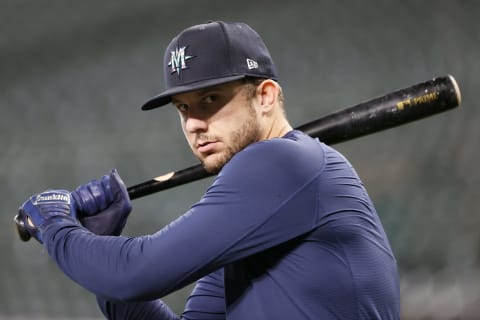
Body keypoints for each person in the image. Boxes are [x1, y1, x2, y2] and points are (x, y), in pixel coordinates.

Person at [17, 21, 400, 319]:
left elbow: (136, 273)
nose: (194, 123)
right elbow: (129, 284)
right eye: (183, 108)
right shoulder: (261, 209)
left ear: (265, 97)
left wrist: (57, 227)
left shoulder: (282, 163)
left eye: (210, 100)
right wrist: (99, 247)